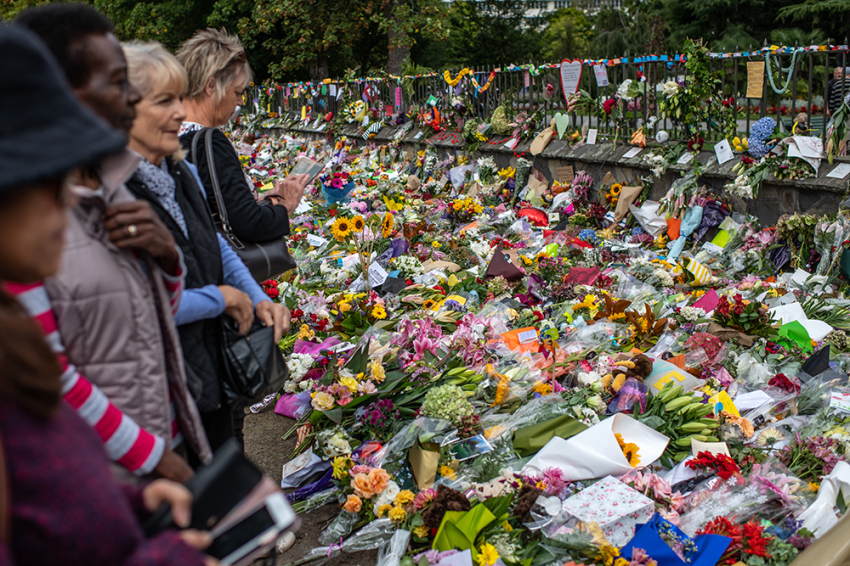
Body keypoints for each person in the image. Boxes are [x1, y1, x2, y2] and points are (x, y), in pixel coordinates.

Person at [0, 24, 214, 566]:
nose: (60, 208)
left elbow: (153, 321)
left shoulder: (117, 187)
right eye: (118, 83)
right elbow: (59, 384)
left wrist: (168, 261)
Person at [122, 40, 291, 453]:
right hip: (162, 374)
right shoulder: (114, 192)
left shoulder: (178, 169)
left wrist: (255, 297)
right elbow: (142, 299)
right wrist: (221, 297)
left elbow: (212, 240)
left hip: (208, 355)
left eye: (179, 98)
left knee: (227, 456)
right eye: (165, 101)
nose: (181, 113)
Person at [176, 28, 308, 444]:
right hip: (211, 286)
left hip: (195, 283)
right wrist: (283, 205)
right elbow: (243, 223)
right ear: (212, 86)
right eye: (237, 91)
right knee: (226, 415)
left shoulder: (173, 140)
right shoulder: (209, 140)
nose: (239, 102)